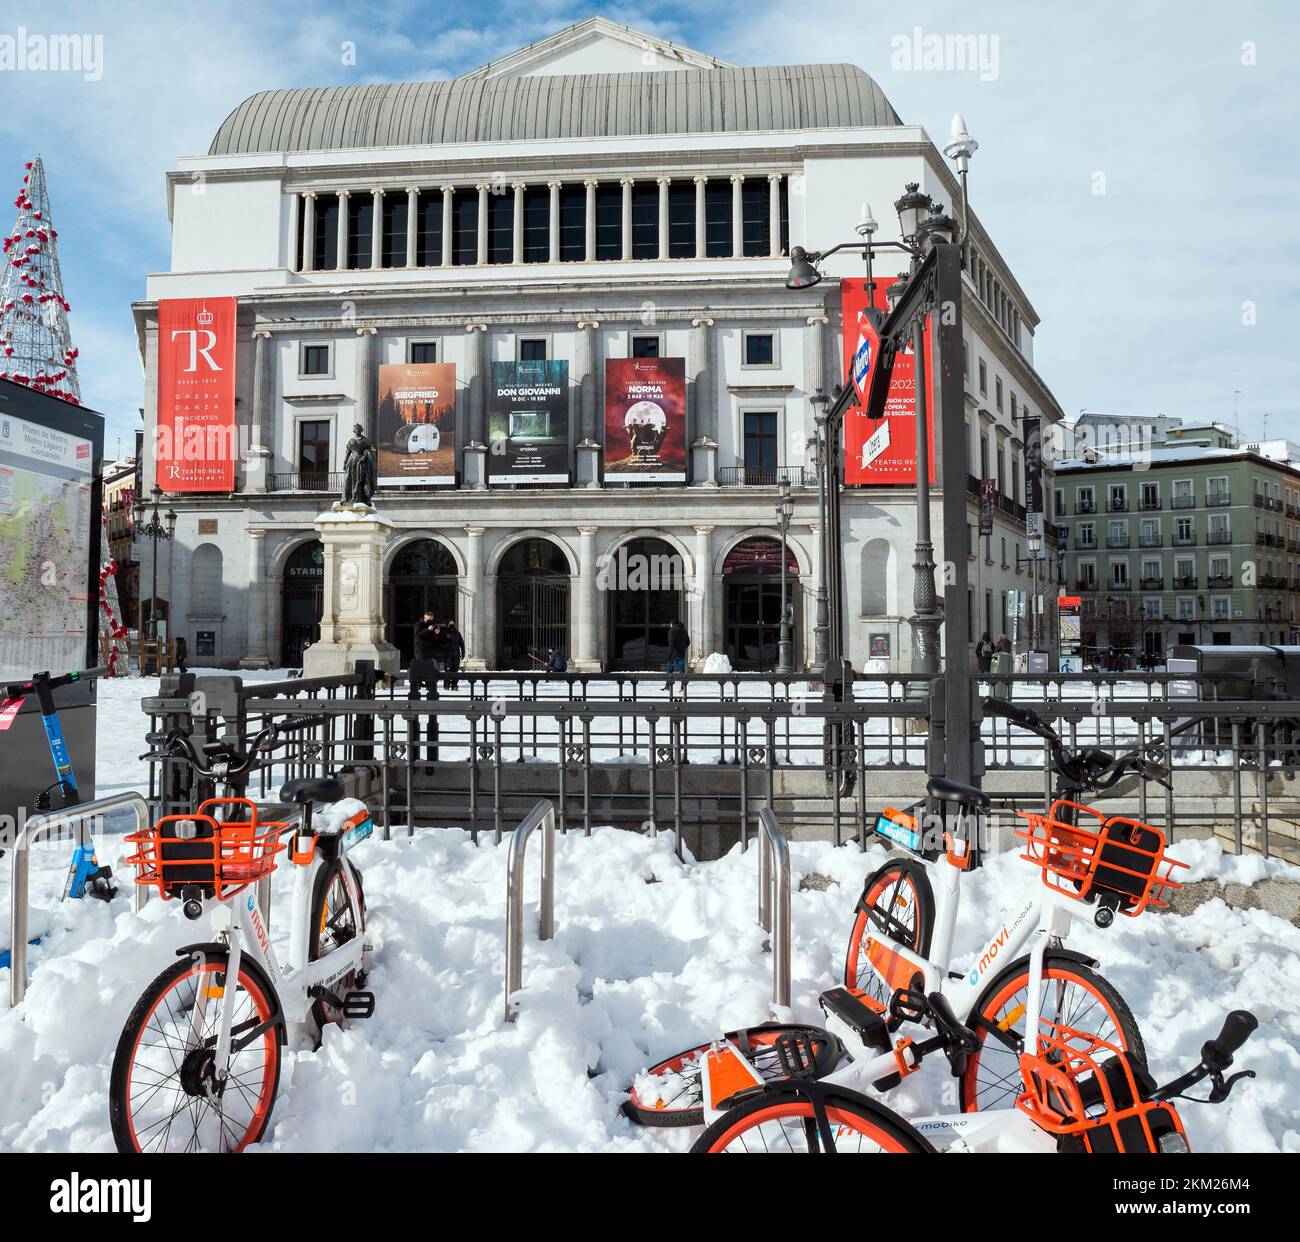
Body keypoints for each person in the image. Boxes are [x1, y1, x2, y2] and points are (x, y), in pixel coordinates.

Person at [664, 619, 690, 688]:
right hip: (681, 655)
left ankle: (668, 686)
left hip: (673, 656)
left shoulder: (671, 631)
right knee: (682, 672)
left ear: (672, 624)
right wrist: (682, 649)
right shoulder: (684, 631)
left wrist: (669, 656)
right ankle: (683, 687)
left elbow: (671, 645)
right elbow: (688, 642)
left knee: (669, 671)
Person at [443, 619, 466, 691]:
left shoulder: (457, 633)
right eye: (450, 624)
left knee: (455, 670)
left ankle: (454, 685)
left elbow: (461, 643)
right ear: (447, 625)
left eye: (453, 623)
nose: (452, 625)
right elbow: (442, 644)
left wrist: (463, 652)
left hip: (456, 655)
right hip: (448, 655)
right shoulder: (444, 633)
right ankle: (446, 685)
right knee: (448, 671)